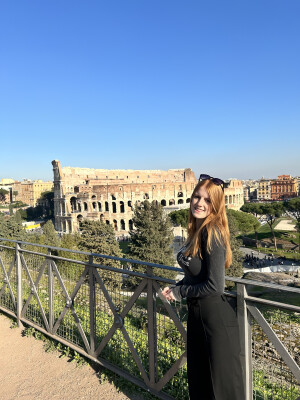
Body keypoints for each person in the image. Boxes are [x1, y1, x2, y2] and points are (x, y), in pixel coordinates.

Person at [162, 174, 245, 400]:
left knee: (222, 390)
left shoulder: (213, 231)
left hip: (217, 322)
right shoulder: (196, 232)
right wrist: (178, 286)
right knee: (200, 385)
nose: (199, 203)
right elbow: (196, 275)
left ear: (215, 205)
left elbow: (215, 285)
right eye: (197, 197)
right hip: (199, 317)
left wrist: (180, 292)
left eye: (207, 200)